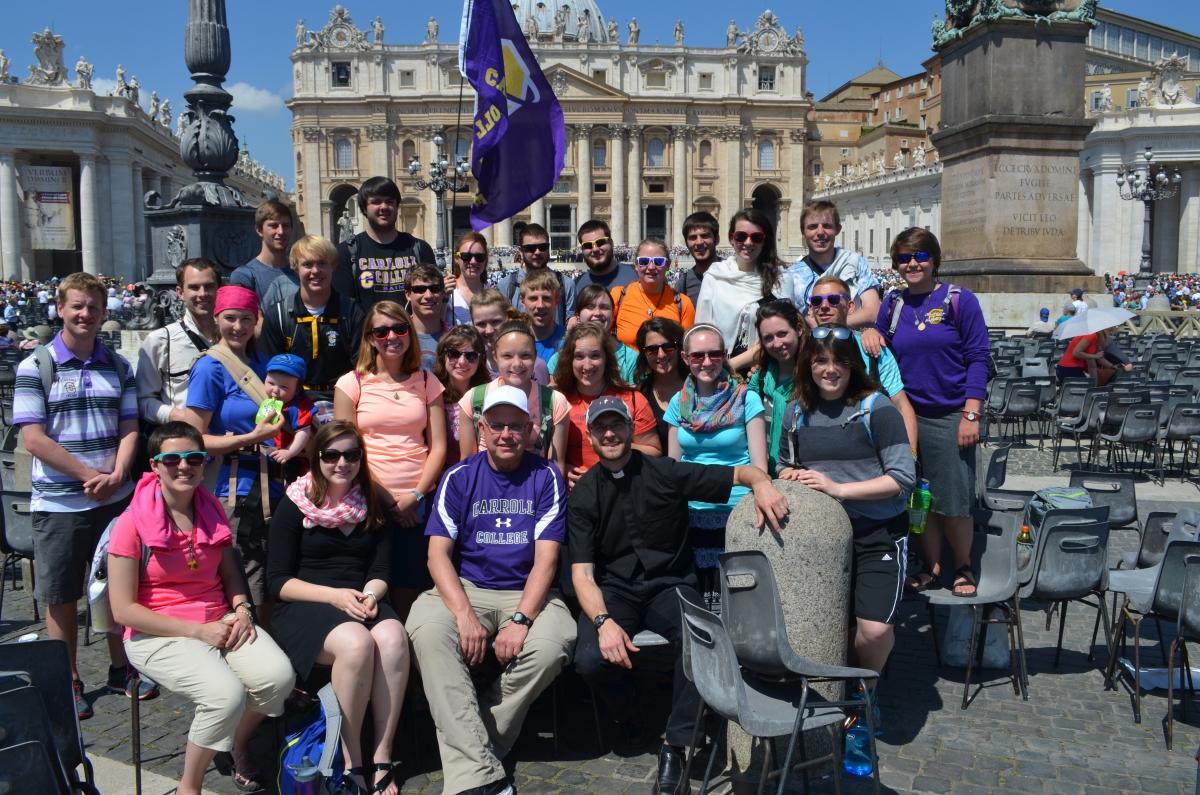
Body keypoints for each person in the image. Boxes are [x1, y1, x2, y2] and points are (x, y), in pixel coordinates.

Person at [569, 396, 788, 795]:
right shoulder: (584, 494)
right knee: (588, 659)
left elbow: (739, 474)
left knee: (701, 643)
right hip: (615, 590)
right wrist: (603, 623)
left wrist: (762, 482)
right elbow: (582, 572)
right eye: (601, 428)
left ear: (631, 430)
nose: (610, 433)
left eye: (617, 425)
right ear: (591, 436)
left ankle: (677, 745)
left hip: (670, 585)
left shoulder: (664, 471)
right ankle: (629, 715)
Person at [108, 422, 295, 795]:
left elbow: (231, 575)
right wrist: (196, 631)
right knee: (224, 695)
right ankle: (188, 787)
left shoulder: (212, 510)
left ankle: (233, 742)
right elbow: (123, 610)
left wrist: (242, 610)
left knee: (278, 678)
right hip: (156, 630)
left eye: (194, 458)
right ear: (154, 465)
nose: (184, 466)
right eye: (172, 458)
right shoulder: (130, 524)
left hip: (220, 620)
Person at [408, 385, 577, 795]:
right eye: (497, 425)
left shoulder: (546, 476)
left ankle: (470, 749)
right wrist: (464, 613)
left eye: (515, 426)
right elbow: (437, 557)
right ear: (481, 429)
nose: (506, 434)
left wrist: (521, 619)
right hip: (467, 588)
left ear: (530, 430)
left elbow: (547, 561)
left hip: (527, 591)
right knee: (428, 631)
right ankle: (483, 771)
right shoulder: (459, 476)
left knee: (557, 642)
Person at [14, 272, 150, 718]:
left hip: (115, 497)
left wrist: (118, 471)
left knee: (118, 585)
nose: (85, 315)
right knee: (61, 593)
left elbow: (130, 427)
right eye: (76, 306)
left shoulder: (118, 365)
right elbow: (33, 438)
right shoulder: (35, 366)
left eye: (92, 307)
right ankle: (66, 677)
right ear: (60, 309)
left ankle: (120, 667)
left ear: (103, 311)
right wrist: (89, 473)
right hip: (60, 501)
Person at [776, 326, 915, 739]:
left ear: (853, 365)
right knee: (823, 625)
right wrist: (792, 475)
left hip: (877, 532)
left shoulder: (878, 409)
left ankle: (864, 692)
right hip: (820, 538)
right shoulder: (796, 409)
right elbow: (784, 466)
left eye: (839, 360)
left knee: (873, 630)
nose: (830, 370)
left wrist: (839, 489)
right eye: (820, 361)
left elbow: (903, 478)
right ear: (808, 365)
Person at [268, 421, 409, 795]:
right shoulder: (295, 502)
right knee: (357, 643)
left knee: (393, 638)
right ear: (316, 459)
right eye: (331, 455)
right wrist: (334, 596)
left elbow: (380, 571)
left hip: (360, 598)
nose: (341, 463)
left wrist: (370, 595)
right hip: (307, 603)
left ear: (361, 459)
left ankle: (382, 754)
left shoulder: (371, 502)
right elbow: (278, 582)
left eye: (351, 454)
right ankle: (350, 761)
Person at [863, 229, 990, 596]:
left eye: (919, 256)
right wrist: (872, 331)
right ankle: (932, 565)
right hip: (906, 414)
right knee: (920, 495)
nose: (912, 263)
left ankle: (963, 565)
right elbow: (881, 342)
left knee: (954, 498)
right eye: (904, 258)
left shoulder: (959, 300)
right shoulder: (893, 302)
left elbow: (979, 357)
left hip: (950, 412)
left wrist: (971, 413)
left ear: (934, 259)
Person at [334, 300, 446, 613]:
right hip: (369, 498)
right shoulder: (351, 383)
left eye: (399, 328)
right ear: (370, 338)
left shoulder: (427, 381)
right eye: (381, 331)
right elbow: (346, 449)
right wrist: (389, 500)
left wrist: (415, 495)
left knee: (414, 584)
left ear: (409, 333)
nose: (391, 336)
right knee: (373, 580)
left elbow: (438, 446)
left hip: (420, 499)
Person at [183, 285, 285, 608]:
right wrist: (249, 439)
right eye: (230, 318)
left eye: (246, 319)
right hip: (232, 488)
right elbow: (192, 438)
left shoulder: (263, 362)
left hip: (272, 483)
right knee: (242, 573)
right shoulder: (209, 367)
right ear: (216, 319)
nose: (238, 327)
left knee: (270, 572)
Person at [665, 323, 768, 609]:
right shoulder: (678, 403)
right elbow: (674, 467)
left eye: (714, 354)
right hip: (692, 511)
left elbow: (759, 466)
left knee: (736, 602)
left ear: (724, 355)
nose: (707, 362)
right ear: (685, 359)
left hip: (735, 509)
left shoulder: (747, 398)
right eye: (698, 356)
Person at [807, 276, 919, 450]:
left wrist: (911, 458)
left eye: (834, 299)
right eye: (816, 301)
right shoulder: (803, 350)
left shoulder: (874, 349)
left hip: (871, 455)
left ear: (850, 306)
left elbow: (902, 406)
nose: (824, 306)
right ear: (810, 308)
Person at [551, 321, 660, 488]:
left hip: (624, 492)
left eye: (595, 355)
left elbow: (654, 452)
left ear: (606, 358)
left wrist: (617, 447)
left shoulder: (632, 399)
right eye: (579, 356)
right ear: (569, 360)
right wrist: (563, 469)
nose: (587, 365)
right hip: (576, 496)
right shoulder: (558, 401)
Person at [458, 318, 570, 474]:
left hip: (535, 490)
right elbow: (467, 464)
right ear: (495, 356)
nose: (517, 364)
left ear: (535, 356)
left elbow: (556, 464)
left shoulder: (555, 402)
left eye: (525, 355)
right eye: (507, 356)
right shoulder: (473, 399)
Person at [260, 234, 363, 402]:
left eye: (322, 263)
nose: (315, 271)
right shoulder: (278, 315)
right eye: (307, 264)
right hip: (293, 404)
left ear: (333, 266)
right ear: (295, 268)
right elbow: (268, 371)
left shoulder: (352, 312)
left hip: (343, 400)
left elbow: (362, 367)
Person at [694, 208, 792, 372]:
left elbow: (786, 333)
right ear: (732, 238)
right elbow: (703, 328)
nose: (748, 242)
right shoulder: (715, 275)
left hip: (769, 370)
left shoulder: (782, 279)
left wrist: (731, 365)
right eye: (741, 236)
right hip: (720, 370)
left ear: (765, 241)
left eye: (756, 237)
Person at [136, 259, 219, 426]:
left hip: (230, 441)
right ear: (180, 292)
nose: (202, 294)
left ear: (219, 289)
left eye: (209, 286)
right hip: (184, 443)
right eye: (194, 287)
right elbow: (143, 400)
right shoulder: (160, 341)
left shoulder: (235, 337)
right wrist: (177, 415)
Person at [334, 176, 435, 311]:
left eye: (389, 201)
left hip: (412, 330)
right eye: (376, 202)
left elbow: (433, 295)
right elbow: (345, 307)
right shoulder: (345, 252)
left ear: (397, 206)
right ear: (364, 208)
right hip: (367, 331)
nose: (384, 207)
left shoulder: (420, 248)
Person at [787, 200, 881, 328]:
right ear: (803, 231)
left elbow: (872, 311)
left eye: (827, 226)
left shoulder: (855, 262)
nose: (820, 232)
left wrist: (828, 326)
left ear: (838, 229)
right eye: (812, 226)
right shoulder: (792, 275)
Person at [746, 301, 805, 474]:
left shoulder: (815, 376)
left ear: (799, 329)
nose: (777, 343)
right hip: (766, 471)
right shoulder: (761, 378)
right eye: (768, 338)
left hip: (803, 475)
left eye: (782, 334)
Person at [611, 238, 695, 350]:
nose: (651, 267)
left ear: (668, 265)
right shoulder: (618, 296)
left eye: (659, 262)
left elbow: (688, 348)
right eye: (644, 261)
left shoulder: (683, 303)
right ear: (636, 265)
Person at [546, 284, 638, 384]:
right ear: (578, 316)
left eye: (604, 307)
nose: (598, 313)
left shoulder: (630, 358)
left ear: (612, 316)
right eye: (590, 307)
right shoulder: (562, 357)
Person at [494, 223, 576, 330]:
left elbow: (570, 324)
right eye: (530, 248)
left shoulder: (566, 284)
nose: (537, 252)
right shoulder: (506, 285)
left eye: (543, 247)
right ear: (520, 250)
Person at [432, 326, 490, 472]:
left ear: (480, 359)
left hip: (480, 474)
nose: (462, 362)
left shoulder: (490, 393)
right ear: (442, 356)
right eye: (454, 354)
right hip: (440, 477)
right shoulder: (432, 394)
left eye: (470, 356)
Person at [633, 318, 687, 453]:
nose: (661, 354)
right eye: (652, 349)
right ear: (644, 354)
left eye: (668, 346)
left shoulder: (699, 386)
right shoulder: (640, 395)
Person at [230, 200, 298, 305]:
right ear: (259, 230)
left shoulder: (301, 272)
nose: (281, 232)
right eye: (273, 226)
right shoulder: (244, 276)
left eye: (286, 226)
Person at [261, 354, 315, 474]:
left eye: (283, 387)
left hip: (293, 457)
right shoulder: (261, 397)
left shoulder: (298, 407)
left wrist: (289, 452)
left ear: (297, 389)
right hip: (265, 454)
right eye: (271, 383)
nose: (275, 390)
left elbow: (304, 432)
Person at [405, 263, 449, 370]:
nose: (428, 295)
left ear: (443, 293)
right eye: (419, 289)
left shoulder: (454, 338)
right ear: (408, 295)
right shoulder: (396, 338)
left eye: (435, 289)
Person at [520, 270, 566, 372]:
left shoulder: (569, 342)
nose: (540, 305)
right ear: (523, 301)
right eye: (533, 298)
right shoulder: (514, 342)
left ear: (556, 300)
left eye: (546, 298)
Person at [574, 219, 637, 293]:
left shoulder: (637, 275)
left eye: (600, 242)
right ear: (582, 250)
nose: (595, 249)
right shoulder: (576, 286)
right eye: (588, 245)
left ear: (611, 243)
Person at [673, 211, 720, 306]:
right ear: (686, 244)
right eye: (693, 237)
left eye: (705, 236)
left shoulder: (734, 272)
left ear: (717, 239)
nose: (699, 242)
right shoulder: (683, 284)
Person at [449, 232, 491, 326]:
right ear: (456, 258)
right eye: (466, 256)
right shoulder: (446, 293)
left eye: (479, 257)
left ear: (486, 259)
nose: (473, 261)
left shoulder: (493, 293)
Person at [469, 288, 512, 378]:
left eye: (495, 321)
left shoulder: (531, 366)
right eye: (481, 324)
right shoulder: (471, 368)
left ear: (508, 319)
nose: (489, 330)